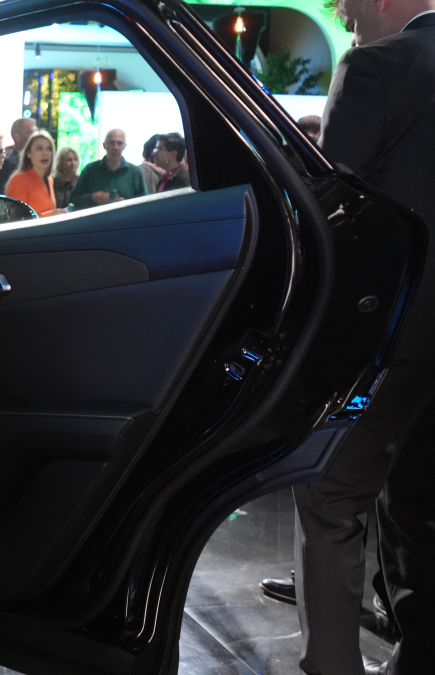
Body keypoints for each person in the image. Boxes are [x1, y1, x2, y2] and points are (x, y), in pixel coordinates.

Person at [271, 2, 435, 674]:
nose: (344, 17)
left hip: (397, 333)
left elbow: (328, 204)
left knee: (331, 495)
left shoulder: (377, 67)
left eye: (349, 4)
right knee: (421, 503)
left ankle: (332, 664)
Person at [68, 129, 146, 209]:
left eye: (120, 143)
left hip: (126, 216)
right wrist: (92, 198)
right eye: (112, 142)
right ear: (104, 145)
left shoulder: (135, 172)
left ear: (124, 146)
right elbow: (73, 200)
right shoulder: (90, 170)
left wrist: (126, 204)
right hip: (96, 217)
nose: (115, 147)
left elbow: (145, 203)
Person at [5, 130, 65, 217]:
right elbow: (18, 219)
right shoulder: (19, 180)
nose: (45, 153)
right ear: (29, 153)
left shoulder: (49, 179)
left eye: (49, 149)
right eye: (39, 149)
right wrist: (52, 214)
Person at [0, 118, 36, 192]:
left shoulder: (37, 161)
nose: (36, 136)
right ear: (17, 136)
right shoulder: (8, 164)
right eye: (31, 132)